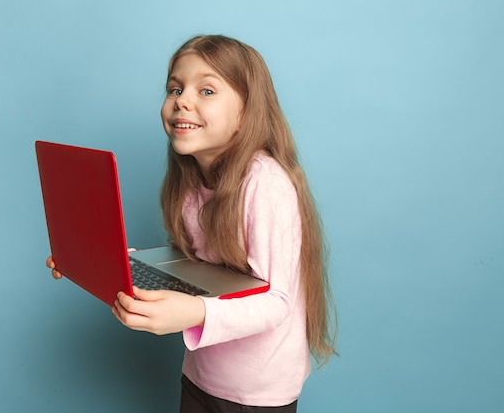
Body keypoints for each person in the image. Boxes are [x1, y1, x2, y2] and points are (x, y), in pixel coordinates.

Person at [46, 34, 337, 413]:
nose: (182, 100)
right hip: (202, 373)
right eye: (175, 89)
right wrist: (103, 261)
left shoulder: (265, 183)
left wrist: (194, 313)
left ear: (247, 113)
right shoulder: (190, 181)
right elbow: (192, 264)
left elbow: (277, 303)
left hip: (257, 390)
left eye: (207, 91)